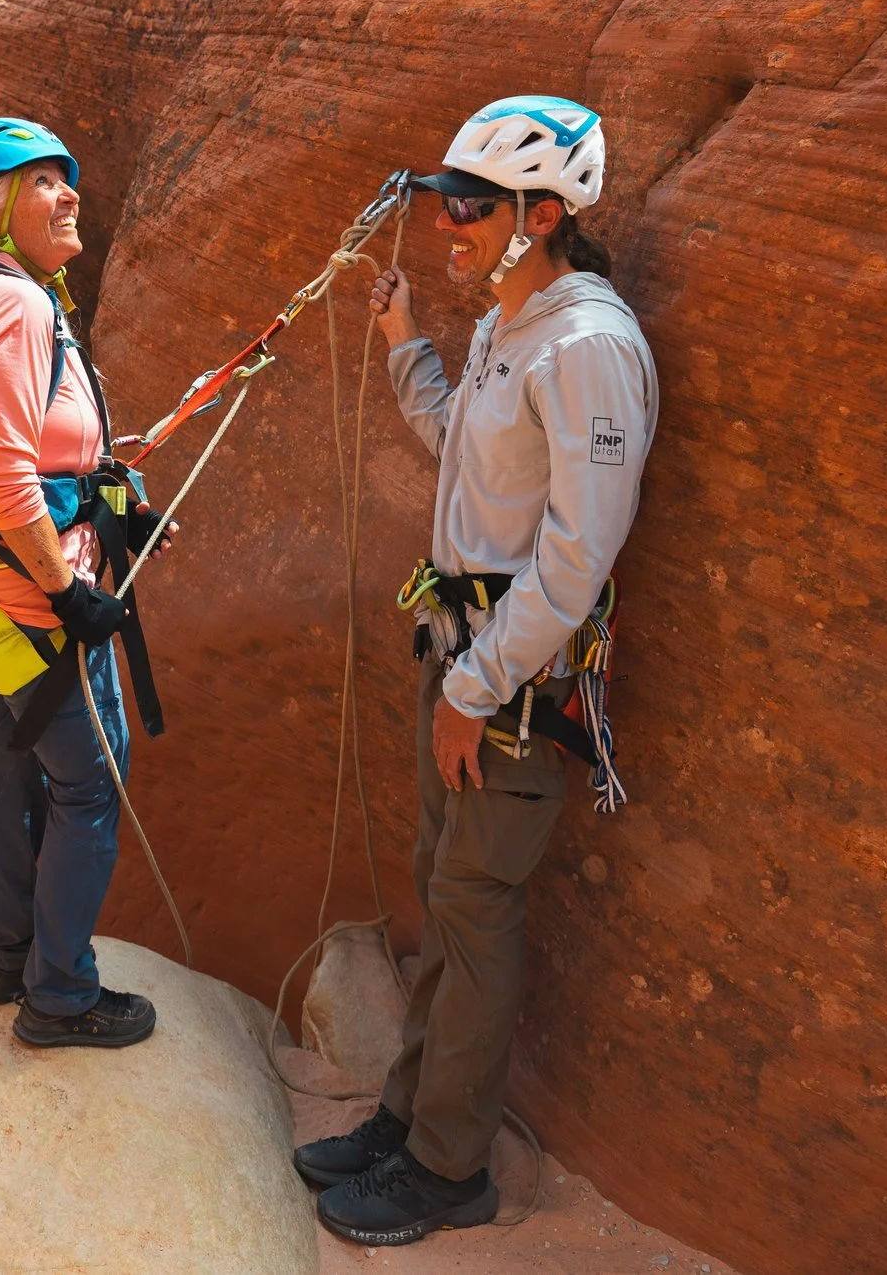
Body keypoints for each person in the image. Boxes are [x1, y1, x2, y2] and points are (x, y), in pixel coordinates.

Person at [295, 96, 658, 1246]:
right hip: (461, 655)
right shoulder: (515, 319)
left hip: (509, 684)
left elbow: (576, 551)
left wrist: (472, 688)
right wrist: (407, 340)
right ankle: (408, 1122)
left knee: (475, 906)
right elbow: (463, 445)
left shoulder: (586, 343)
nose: (444, 223)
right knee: (441, 891)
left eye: (468, 204)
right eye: (438, 198)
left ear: (540, 214)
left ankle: (450, 1166)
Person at [0, 117, 167, 1049]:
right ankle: (60, 993)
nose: (71, 195)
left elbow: (27, 457)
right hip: (32, 605)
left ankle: (9, 954)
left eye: (68, 179)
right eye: (43, 182)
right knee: (90, 787)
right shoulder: (12, 307)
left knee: (13, 758)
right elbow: (4, 480)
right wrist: (69, 590)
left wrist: (113, 509)